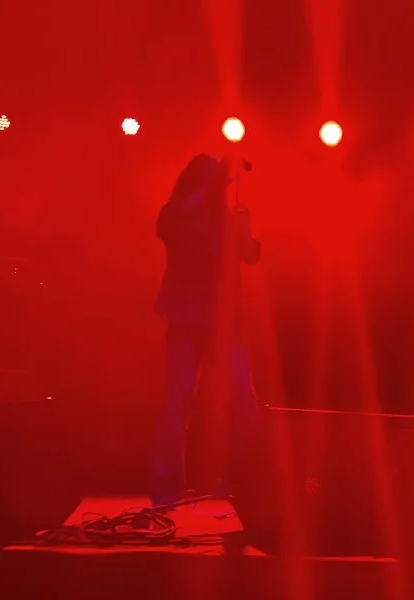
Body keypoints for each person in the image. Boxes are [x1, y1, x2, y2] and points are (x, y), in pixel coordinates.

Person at [150, 153, 261, 509]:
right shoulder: (177, 214)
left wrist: (245, 228)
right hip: (188, 318)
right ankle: (166, 490)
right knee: (180, 402)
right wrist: (210, 190)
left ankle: (244, 483)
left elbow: (250, 254)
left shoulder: (224, 218)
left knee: (241, 401)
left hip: (222, 322)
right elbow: (170, 226)